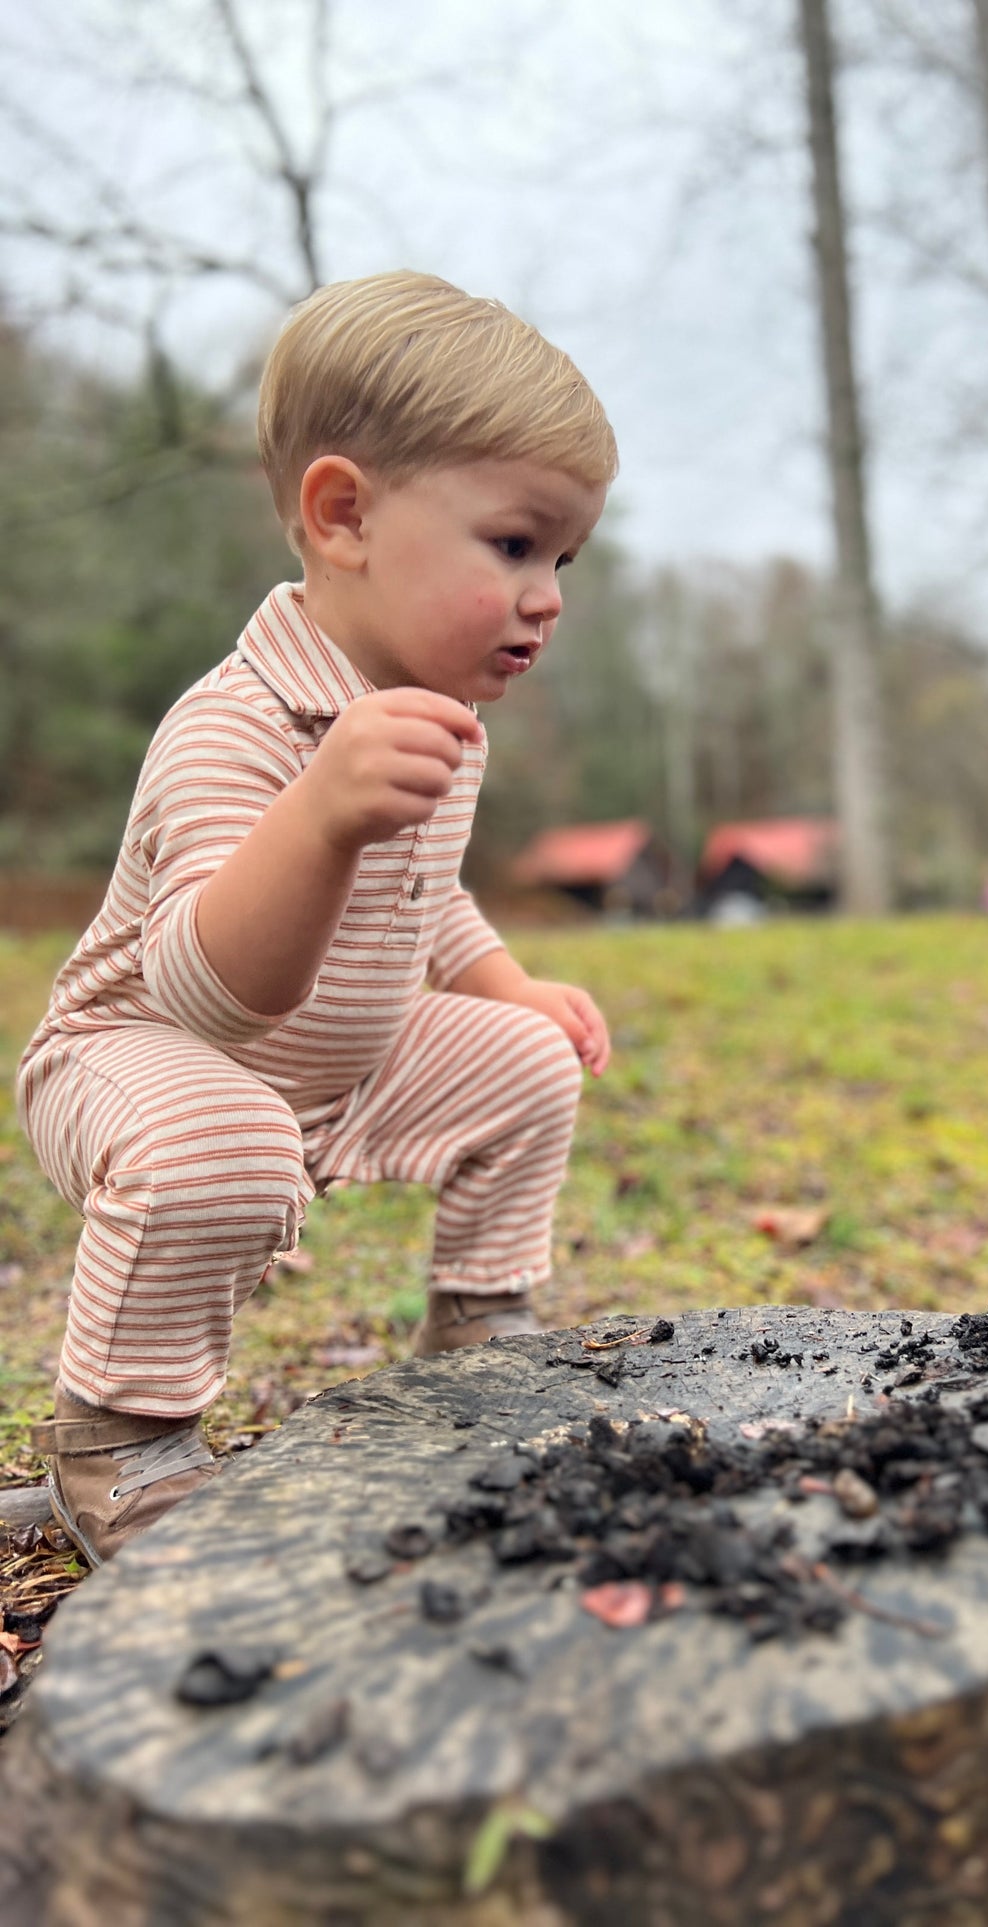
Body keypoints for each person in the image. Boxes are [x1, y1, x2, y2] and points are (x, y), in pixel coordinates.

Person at [16, 271, 616, 1565]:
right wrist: (319, 816)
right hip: (136, 1063)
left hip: (330, 1071)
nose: (549, 593)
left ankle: (478, 1336)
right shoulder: (231, 726)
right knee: (214, 1133)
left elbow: (426, 891)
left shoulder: (440, 730)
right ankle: (115, 1435)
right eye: (513, 545)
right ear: (343, 515)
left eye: (565, 556)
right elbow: (206, 987)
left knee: (524, 1065)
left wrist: (504, 985)